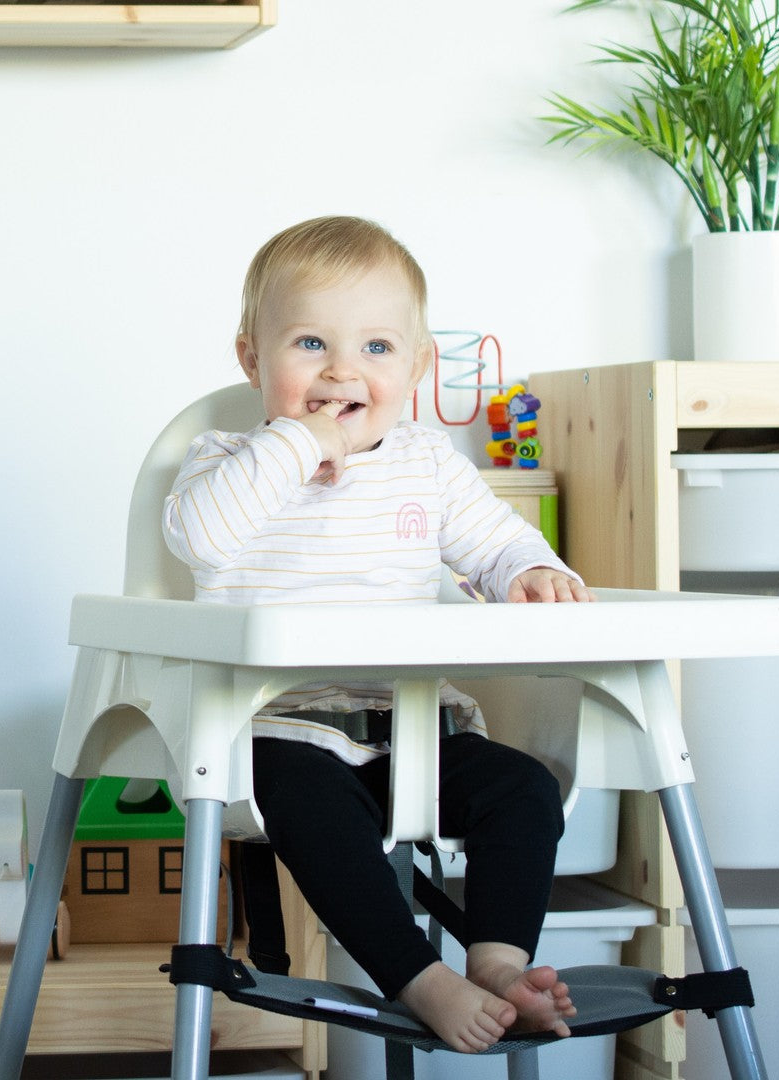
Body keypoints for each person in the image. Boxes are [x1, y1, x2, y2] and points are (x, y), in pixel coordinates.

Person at [163, 215, 595, 1054]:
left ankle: (500, 962)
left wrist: (528, 572)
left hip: (417, 730)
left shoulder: (427, 464)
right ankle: (418, 976)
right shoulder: (224, 460)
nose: (341, 371)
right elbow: (200, 539)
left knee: (526, 790)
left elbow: (496, 539)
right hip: (282, 729)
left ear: (418, 367)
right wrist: (297, 441)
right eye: (311, 343)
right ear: (253, 358)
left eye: (376, 349)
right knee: (314, 814)